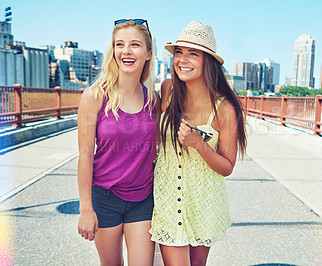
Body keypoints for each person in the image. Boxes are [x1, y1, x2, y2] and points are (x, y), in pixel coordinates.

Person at [150, 21, 247, 266]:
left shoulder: (225, 108)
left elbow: (227, 166)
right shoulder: (168, 90)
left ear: (208, 61)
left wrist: (199, 144)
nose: (183, 60)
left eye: (193, 53)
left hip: (204, 204)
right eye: (179, 52)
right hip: (168, 201)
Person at [77, 19, 160, 266]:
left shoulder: (153, 100)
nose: (126, 51)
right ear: (113, 51)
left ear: (148, 54)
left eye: (135, 45)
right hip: (104, 199)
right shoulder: (94, 96)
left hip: (143, 199)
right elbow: (84, 155)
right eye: (120, 44)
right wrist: (85, 209)